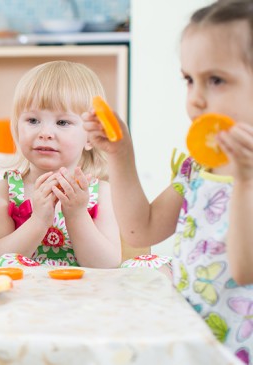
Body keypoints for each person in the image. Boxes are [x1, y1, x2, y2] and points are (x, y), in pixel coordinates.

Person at [84, 0, 253, 361]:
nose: (195, 98)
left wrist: (245, 181)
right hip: (195, 346)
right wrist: (120, 155)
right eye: (189, 79)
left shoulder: (247, 175)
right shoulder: (197, 165)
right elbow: (140, 231)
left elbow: (245, 268)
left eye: (217, 80)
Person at [0, 61, 121, 268]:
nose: (44, 133)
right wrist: (38, 221)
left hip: (83, 299)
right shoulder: (3, 192)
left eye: (62, 122)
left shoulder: (101, 193)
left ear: (91, 137)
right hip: (21, 298)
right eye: (33, 120)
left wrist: (77, 215)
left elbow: (107, 266)